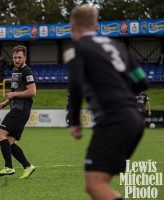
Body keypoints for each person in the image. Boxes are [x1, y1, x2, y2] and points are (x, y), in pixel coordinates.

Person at [64, 6, 148, 200]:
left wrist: (75, 121)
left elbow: (76, 85)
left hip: (114, 119)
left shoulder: (75, 48)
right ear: (96, 25)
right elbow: (141, 80)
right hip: (134, 117)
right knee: (100, 182)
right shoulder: (118, 46)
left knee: (94, 185)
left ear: (72, 26)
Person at [0, 45, 36, 179]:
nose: (17, 60)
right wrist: (5, 102)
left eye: (19, 57)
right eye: (15, 57)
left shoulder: (26, 71)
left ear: (25, 58)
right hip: (17, 108)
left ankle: (8, 167)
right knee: (10, 142)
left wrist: (14, 95)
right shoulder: (16, 71)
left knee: (0, 135)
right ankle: (28, 166)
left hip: (21, 109)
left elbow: (32, 91)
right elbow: (14, 93)